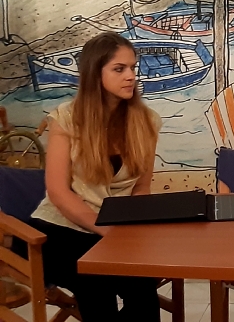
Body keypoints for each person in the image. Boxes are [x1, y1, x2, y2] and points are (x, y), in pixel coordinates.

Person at [29, 32, 162, 322]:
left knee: (142, 288)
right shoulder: (65, 118)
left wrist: (134, 230)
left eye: (133, 67)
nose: (131, 76)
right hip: (61, 228)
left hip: (117, 229)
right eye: (119, 69)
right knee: (96, 283)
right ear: (94, 73)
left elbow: (141, 188)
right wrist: (107, 231)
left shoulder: (148, 121)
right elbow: (58, 192)